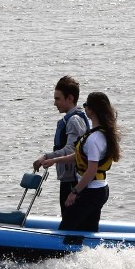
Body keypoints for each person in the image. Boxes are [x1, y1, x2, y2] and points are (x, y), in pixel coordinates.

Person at [41, 91, 120, 232]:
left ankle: (60, 252)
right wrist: (54, 160)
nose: (84, 108)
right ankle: (91, 253)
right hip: (98, 189)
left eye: (86, 105)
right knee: (89, 229)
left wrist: (74, 192)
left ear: (91, 110)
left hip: (92, 192)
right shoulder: (99, 134)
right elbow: (78, 156)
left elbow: (91, 171)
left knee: (66, 228)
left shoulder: (95, 139)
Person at [32, 76, 90, 213]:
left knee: (69, 218)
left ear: (70, 98)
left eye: (58, 99)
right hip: (69, 179)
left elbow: (71, 149)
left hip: (73, 180)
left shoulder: (74, 120)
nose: (54, 103)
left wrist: (46, 157)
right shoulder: (73, 119)